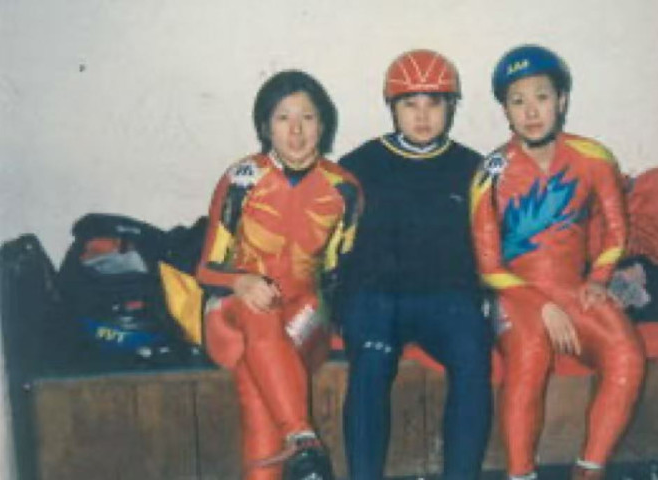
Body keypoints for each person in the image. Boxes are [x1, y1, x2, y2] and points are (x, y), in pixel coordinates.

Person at [471, 44, 646, 480]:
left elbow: (616, 230)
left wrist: (600, 279)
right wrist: (541, 305)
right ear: (505, 110)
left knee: (627, 354)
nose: (531, 111)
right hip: (515, 294)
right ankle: (520, 474)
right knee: (529, 354)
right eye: (517, 101)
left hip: (575, 288)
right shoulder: (490, 171)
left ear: (562, 100)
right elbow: (488, 266)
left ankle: (589, 469)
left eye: (542, 97)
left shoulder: (595, 157)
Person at [195, 70, 362, 480]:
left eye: (308, 117)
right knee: (260, 313)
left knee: (258, 383)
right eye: (283, 118)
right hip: (231, 314)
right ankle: (302, 438)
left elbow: (338, 275)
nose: (296, 131)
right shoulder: (242, 180)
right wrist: (241, 282)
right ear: (265, 126)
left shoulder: (345, 189)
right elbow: (205, 270)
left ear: (323, 124)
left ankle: (301, 444)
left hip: (304, 317)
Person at [337, 49, 493, 479]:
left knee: (472, 355)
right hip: (377, 297)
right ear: (392, 108)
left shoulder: (473, 168)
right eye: (410, 104)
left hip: (446, 298)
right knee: (370, 363)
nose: (422, 116)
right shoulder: (359, 165)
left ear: (452, 107)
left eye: (434, 103)